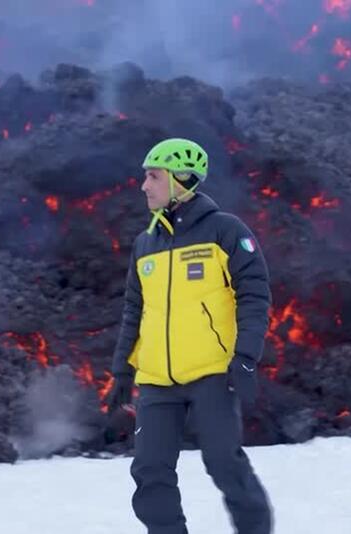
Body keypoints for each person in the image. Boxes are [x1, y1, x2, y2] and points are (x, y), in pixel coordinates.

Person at [108, 138, 273, 534]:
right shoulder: (144, 244)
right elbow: (134, 310)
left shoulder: (225, 231)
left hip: (212, 373)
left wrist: (246, 356)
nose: (144, 185)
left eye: (153, 176)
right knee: (150, 472)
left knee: (223, 462)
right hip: (156, 382)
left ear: (181, 180)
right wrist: (121, 372)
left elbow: (254, 294)